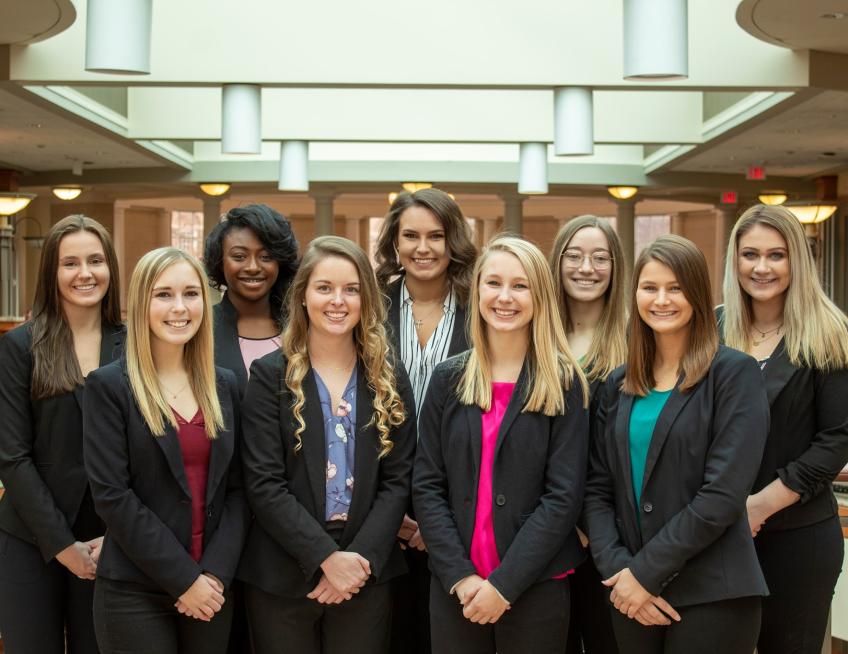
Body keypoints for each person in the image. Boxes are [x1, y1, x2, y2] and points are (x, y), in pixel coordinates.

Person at [584, 235, 770, 654]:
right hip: (630, 592)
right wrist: (619, 571)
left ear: (698, 296)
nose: (661, 299)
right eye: (650, 288)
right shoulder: (617, 384)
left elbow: (721, 496)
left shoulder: (734, 375)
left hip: (711, 590)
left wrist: (645, 573)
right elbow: (596, 488)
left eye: (675, 288)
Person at [237, 236, 417, 654]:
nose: (338, 301)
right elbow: (263, 484)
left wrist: (356, 562)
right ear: (302, 296)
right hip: (283, 572)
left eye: (351, 289)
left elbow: (399, 479)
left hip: (365, 568)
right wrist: (325, 559)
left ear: (366, 300)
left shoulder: (389, 377)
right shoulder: (269, 376)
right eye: (324, 288)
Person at [413, 235, 589, 654]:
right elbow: (427, 486)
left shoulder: (564, 384)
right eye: (493, 283)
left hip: (535, 584)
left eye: (520, 285)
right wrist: (461, 576)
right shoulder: (447, 379)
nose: (504, 297)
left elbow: (563, 497)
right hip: (457, 586)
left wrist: (504, 586)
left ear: (540, 296)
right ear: (476, 293)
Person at [83, 247, 248, 654]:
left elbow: (242, 490)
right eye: (164, 295)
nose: (180, 308)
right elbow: (113, 496)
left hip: (212, 588)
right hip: (134, 590)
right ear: (142, 304)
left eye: (191, 294)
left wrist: (213, 576)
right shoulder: (109, 387)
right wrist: (184, 580)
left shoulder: (226, 385)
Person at [720, 204, 848, 654]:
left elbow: (835, 441)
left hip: (798, 537)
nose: (761, 267)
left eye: (776, 255)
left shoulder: (830, 333)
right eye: (750, 254)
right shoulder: (712, 329)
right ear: (734, 259)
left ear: (797, 259)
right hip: (715, 535)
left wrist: (758, 507)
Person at [0, 215, 124, 654]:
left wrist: (120, 537)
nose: (85, 273)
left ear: (111, 267)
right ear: (51, 272)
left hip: (111, 540)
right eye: (70, 263)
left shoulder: (133, 346)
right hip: (32, 538)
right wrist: (62, 545)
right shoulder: (20, 347)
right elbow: (12, 457)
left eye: (95, 260)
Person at [374, 188, 477, 654]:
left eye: (436, 235)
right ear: (394, 243)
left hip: (458, 511)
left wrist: (435, 518)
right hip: (379, 510)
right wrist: (393, 510)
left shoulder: (481, 310)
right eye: (410, 235)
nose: (423, 247)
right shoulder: (371, 306)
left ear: (453, 241)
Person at [550, 215, 627, 654]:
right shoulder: (535, 337)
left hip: (613, 536)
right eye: (574, 256)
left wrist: (592, 526)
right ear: (557, 263)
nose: (586, 268)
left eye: (601, 258)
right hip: (545, 534)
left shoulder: (638, 340)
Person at [204, 203, 299, 395]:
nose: (253, 267)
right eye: (239, 256)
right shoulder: (202, 327)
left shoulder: (301, 326)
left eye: (266, 256)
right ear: (220, 261)